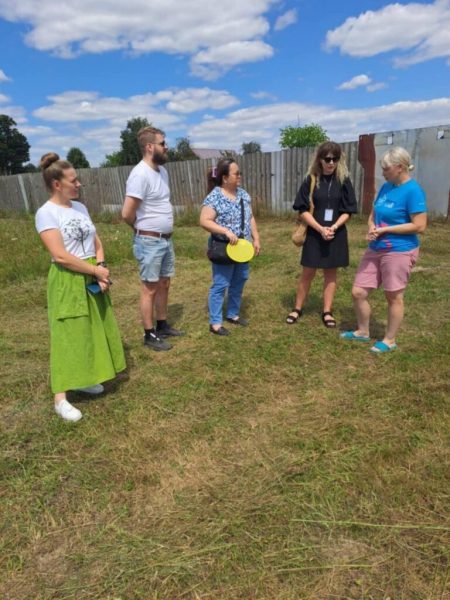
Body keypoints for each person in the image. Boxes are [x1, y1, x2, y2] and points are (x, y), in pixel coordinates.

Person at [35, 153, 126, 422]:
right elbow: (60, 255)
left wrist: (100, 268)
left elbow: (97, 242)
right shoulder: (46, 213)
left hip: (90, 275)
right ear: (57, 184)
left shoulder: (80, 208)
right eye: (74, 181)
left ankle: (84, 378)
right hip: (67, 278)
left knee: (92, 328)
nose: (79, 184)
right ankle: (60, 399)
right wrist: (95, 271)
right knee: (67, 333)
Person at [341, 147, 427, 353]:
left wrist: (386, 229)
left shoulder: (413, 191)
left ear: (399, 167)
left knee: (393, 296)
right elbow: (373, 214)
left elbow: (420, 225)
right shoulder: (387, 186)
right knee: (358, 292)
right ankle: (363, 332)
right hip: (376, 248)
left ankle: (390, 340)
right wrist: (372, 227)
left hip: (399, 250)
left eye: (386, 169)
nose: (382, 173)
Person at [122, 126, 183, 351]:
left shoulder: (162, 172)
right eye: (162, 143)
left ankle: (163, 325)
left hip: (166, 239)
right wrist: (141, 231)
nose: (166, 147)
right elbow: (126, 213)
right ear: (149, 147)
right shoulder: (139, 174)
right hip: (149, 241)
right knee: (149, 288)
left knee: (164, 283)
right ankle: (149, 334)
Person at [286, 141, 357, 328]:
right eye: (327, 159)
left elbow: (348, 210)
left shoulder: (344, 181)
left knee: (330, 273)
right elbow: (302, 209)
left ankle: (327, 311)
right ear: (320, 159)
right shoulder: (311, 180)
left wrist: (333, 227)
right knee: (308, 271)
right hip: (314, 233)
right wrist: (320, 228)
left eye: (335, 159)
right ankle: (297, 308)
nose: (331, 163)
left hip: (336, 233)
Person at [199, 158, 261, 336]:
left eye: (239, 173)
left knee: (239, 280)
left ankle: (233, 314)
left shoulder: (243, 194)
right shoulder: (215, 197)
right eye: (236, 173)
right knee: (221, 284)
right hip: (223, 247)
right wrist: (225, 231)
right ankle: (215, 323)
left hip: (242, 247)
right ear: (225, 177)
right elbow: (204, 221)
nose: (240, 176)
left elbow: (250, 218)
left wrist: (256, 238)